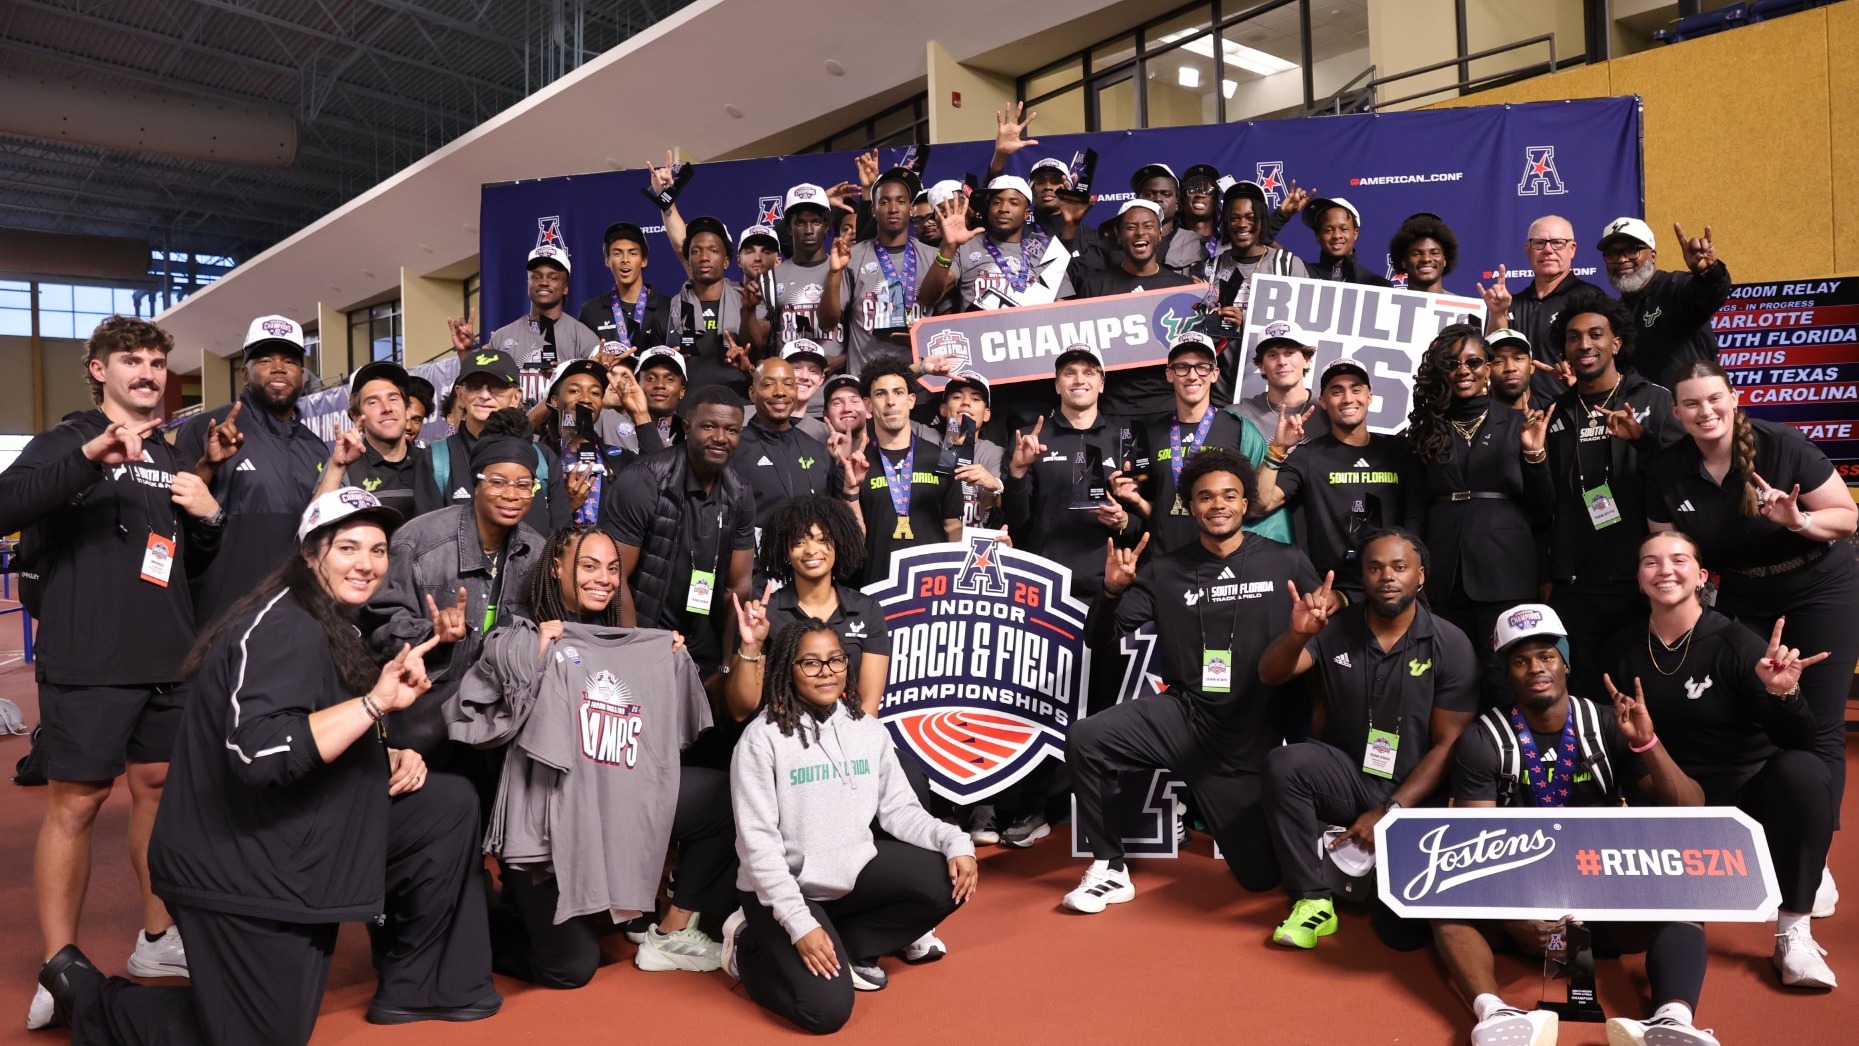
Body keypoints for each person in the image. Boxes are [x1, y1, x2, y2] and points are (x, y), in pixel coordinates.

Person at [38, 489, 496, 1044]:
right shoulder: (284, 626)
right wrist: (374, 704)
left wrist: (384, 750)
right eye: (347, 547)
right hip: (237, 863)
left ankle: (422, 984)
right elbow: (260, 753)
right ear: (309, 554)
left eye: (378, 551)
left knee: (443, 807)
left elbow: (318, 720)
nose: (367, 563)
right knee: (260, 1038)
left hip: (291, 831)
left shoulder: (333, 622)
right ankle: (84, 994)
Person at [1, 317, 224, 1029]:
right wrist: (90, 458)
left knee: (159, 791)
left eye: (157, 361)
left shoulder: (170, 452)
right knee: (77, 804)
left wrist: (210, 517)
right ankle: (59, 963)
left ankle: (157, 940)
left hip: (168, 657)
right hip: (90, 659)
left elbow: (182, 566)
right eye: (132, 360)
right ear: (99, 369)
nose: (148, 373)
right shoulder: (66, 439)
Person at [448, 525, 737, 985]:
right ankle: (468, 923)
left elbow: (679, 726)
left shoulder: (637, 644)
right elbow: (474, 718)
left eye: (611, 568)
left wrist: (670, 658)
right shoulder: (522, 636)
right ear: (557, 567)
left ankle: (672, 929)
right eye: (587, 565)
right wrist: (537, 656)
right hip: (546, 826)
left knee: (724, 797)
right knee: (572, 967)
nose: (602, 578)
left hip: (615, 804)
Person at [1434, 603, 1715, 1046]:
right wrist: (1515, 919)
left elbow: (1690, 806)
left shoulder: (1606, 723)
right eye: (1520, 661)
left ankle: (1673, 1021)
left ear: (1566, 663)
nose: (1535, 669)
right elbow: (1475, 842)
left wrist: (1647, 745)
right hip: (1518, 892)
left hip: (1601, 886)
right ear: (1506, 674)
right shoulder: (1484, 739)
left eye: (1546, 656)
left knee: (1685, 898)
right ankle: (1496, 1015)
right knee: (1445, 902)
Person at [1068, 449, 1336, 910]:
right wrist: (1112, 591)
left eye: (1230, 496)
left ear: (1246, 503)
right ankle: (1110, 867)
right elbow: (1099, 637)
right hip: (1186, 717)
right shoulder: (1165, 569)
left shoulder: (1286, 562)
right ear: (1190, 506)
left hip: (1253, 732)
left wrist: (1337, 609)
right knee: (1086, 738)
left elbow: (1322, 631)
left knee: (1259, 879)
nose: (1218, 505)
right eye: (1205, 497)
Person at [1644, 359, 1859, 879]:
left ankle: (1815, 857)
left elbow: (1847, 517)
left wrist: (1799, 520)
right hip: (1742, 596)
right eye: (1691, 403)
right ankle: (1760, 834)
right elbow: (1669, 546)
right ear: (1676, 411)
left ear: (1733, 398)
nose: (1705, 411)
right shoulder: (1667, 468)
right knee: (1759, 716)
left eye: (1714, 399)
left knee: (1822, 724)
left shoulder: (1781, 444)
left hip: (1819, 586)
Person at [725, 620, 977, 1032]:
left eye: (835, 659)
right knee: (826, 1012)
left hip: (851, 875)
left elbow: (899, 810)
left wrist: (955, 841)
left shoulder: (866, 729)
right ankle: (750, 949)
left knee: (945, 878)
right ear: (787, 667)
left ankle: (849, 946)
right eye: (810, 663)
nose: (826, 671)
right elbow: (758, 849)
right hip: (783, 890)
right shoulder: (761, 739)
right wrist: (799, 923)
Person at [1613, 531, 1835, 989]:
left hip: (1746, 799)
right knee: (1631, 937)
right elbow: (1622, 743)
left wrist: (1783, 694)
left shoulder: (1737, 642)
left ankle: (1793, 931)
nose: (1665, 570)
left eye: (1678, 560)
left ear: (1701, 576)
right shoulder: (1622, 648)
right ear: (1639, 579)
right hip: (1668, 796)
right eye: (1650, 562)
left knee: (1805, 770)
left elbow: (1801, 738)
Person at [1257, 530, 1478, 948]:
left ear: (1421, 576)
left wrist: (1390, 811)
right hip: (1349, 777)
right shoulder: (1335, 630)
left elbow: (1449, 744)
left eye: (1399, 567)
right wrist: (1299, 635)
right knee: (1285, 764)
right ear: (1362, 577)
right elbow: (1271, 673)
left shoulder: (1450, 643)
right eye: (1375, 568)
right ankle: (1313, 901)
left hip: (1415, 794)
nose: (1387, 577)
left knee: (1402, 935)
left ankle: (1374, 869)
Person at [367, 407, 548, 765]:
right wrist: (429, 633)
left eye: (523, 485)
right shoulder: (418, 541)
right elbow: (377, 629)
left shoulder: (537, 552)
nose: (511, 494)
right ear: (475, 483)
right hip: (424, 723)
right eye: (497, 481)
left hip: (499, 726)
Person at [1540, 292, 1683, 700]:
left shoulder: (1654, 400)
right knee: (1586, 697)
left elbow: (1681, 485)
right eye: (1573, 337)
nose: (1584, 344)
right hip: (1574, 587)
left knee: (1646, 695)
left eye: (1596, 334)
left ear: (1616, 343)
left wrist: (1643, 442)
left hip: (1640, 585)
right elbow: (1542, 505)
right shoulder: (1556, 413)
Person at [1405, 324, 1553, 658]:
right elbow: (1415, 510)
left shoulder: (1521, 424)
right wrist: (1414, 566)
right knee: (1450, 670)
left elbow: (1543, 509)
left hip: (1506, 569)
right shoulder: (1425, 431)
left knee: (1503, 672)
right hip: (1442, 571)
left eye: (1472, 363)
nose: (1463, 371)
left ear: (1488, 368)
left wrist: (1534, 456)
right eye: (1452, 363)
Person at [175, 314, 328, 628]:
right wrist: (208, 465)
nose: (279, 368)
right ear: (245, 374)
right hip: (222, 618)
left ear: (302, 375)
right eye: (265, 359)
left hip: (297, 612)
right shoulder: (206, 429)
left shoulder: (315, 447)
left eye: (290, 360)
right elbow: (178, 520)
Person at [603, 385, 758, 683]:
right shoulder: (644, 481)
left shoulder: (739, 493)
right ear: (687, 428)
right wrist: (636, 651)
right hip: (648, 632)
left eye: (732, 430)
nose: (720, 438)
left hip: (704, 640)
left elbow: (736, 588)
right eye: (709, 426)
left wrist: (726, 663)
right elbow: (615, 575)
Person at [1253, 358, 1423, 599]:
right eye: (1336, 391)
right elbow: (1261, 504)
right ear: (1323, 401)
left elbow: (1416, 520)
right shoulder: (1308, 456)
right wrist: (1278, 449)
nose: (1347, 398)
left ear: (1370, 396)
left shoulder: (1398, 453)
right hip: (1330, 593)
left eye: (1356, 389)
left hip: (1392, 589)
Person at [1124, 333, 1271, 557]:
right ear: (1169, 374)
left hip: (1222, 561)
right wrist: (1135, 500)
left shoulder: (1238, 429)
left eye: (1202, 367)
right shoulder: (1150, 434)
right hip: (1166, 561)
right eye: (1182, 367)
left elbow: (1257, 502)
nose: (1192, 375)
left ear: (1214, 374)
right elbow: (1157, 508)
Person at [836, 355, 964, 584]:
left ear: (911, 400)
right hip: (876, 591)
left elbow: (952, 527)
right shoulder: (854, 466)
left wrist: (989, 545)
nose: (891, 402)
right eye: (880, 394)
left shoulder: (944, 459)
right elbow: (852, 543)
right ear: (867, 405)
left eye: (898, 392)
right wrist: (851, 493)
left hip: (933, 589)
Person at [1069, 199, 1198, 420]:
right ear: (1119, 236)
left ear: (1160, 235)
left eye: (1148, 226)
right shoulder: (1096, 284)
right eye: (1131, 227)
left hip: (1168, 406)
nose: (1140, 232)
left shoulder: (1183, 288)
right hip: (1112, 407)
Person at [431, 347, 565, 535]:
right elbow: (425, 542)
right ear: (460, 394)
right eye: (475, 386)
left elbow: (560, 536)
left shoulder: (543, 459)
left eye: (498, 386)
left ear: (516, 396)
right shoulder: (436, 460)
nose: (485, 395)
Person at [822, 165, 933, 377]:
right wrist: (834, 273)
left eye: (901, 201)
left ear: (911, 209)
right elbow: (827, 323)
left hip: (921, 387)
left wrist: (921, 335)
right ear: (873, 210)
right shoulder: (853, 257)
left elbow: (947, 317)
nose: (893, 208)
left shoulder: (931, 256)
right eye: (884, 202)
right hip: (865, 383)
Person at [1208, 182, 1309, 403]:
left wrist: (1249, 322)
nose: (1242, 224)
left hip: (1274, 393)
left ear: (1262, 219)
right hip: (1220, 395)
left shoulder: (1287, 265)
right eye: (1235, 218)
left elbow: (1305, 328)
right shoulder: (1210, 268)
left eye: (1250, 217)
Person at [1479, 215, 1596, 405]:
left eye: (1557, 243)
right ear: (1528, 250)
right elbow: (1495, 356)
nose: (1548, 250)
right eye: (1539, 243)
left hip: (1572, 415)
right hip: (1518, 419)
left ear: (1572, 249)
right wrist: (1498, 314)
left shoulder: (1590, 299)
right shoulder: (1512, 303)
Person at [1599, 217, 1730, 385]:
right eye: (1612, 253)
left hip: (1691, 405)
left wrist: (1708, 272)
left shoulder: (1677, 287)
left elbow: (1711, 293)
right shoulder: (1614, 314)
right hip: (1641, 409)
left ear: (1652, 255)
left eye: (1632, 250)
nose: (1622, 259)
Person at [1228, 322, 1325, 543]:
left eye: (1290, 353)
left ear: (1307, 359)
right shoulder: (1238, 416)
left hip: (1320, 535)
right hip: (1261, 539)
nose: (1282, 361)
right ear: (1261, 366)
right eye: (1272, 355)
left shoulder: (1330, 411)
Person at [311, 360, 443, 521]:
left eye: (393, 399)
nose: (386, 408)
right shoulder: (344, 468)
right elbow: (313, 531)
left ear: (407, 410)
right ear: (356, 416)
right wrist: (337, 468)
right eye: (373, 402)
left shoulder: (434, 463)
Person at [920, 175, 1071, 312]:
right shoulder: (965, 246)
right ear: (988, 209)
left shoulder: (1048, 249)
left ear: (1027, 213)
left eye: (1014, 202)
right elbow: (928, 298)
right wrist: (949, 246)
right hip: (979, 337)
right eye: (996, 202)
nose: (1003, 209)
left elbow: (1062, 309)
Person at [478, 244, 603, 407]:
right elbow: (486, 393)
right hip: (511, 429)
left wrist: (566, 377)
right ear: (528, 283)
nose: (543, 282)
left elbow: (595, 399)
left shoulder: (585, 338)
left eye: (553, 277)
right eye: (536, 277)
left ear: (565, 287)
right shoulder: (502, 337)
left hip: (564, 430)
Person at [732, 356, 837, 532]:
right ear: (752, 393)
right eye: (768, 384)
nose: (780, 392)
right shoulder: (734, 449)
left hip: (809, 555)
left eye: (789, 384)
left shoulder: (817, 450)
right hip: (753, 557)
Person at [749, 183, 845, 366]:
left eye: (816, 222)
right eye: (800, 223)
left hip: (837, 388)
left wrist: (840, 360)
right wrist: (747, 311)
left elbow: (860, 333)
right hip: (787, 385)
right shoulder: (771, 278)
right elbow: (758, 343)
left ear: (826, 226)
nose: (809, 230)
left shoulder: (844, 270)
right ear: (788, 228)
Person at [666, 215, 755, 398]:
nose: (704, 257)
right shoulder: (676, 304)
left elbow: (762, 353)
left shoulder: (745, 301)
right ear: (688, 261)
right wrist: (671, 361)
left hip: (741, 406)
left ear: (726, 261)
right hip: (689, 408)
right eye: (696, 251)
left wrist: (749, 312)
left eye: (713, 250)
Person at [540, 358, 631, 526]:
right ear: (555, 401)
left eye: (595, 393)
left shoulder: (620, 458)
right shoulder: (537, 457)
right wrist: (565, 507)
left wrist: (640, 414)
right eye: (574, 391)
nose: (586, 399)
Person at [578, 221, 672, 353]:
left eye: (633, 253)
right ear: (607, 260)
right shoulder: (591, 311)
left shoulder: (668, 307)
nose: (625, 260)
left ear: (644, 261)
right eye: (617, 253)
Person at [936, 370, 1006, 529]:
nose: (966, 402)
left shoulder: (996, 454)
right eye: (957, 397)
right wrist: (922, 369)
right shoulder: (923, 437)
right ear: (944, 409)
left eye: (975, 398)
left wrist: (993, 488)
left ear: (987, 414)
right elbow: (893, 401)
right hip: (932, 545)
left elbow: (988, 518)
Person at [1304, 197, 1389, 287]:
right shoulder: (1303, 275)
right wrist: (1286, 216)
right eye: (1328, 230)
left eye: (1344, 229)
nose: (1337, 235)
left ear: (1355, 233)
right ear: (1318, 236)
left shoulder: (1378, 285)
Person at [1388, 212, 1460, 296]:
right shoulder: (1387, 307)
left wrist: (1479, 307)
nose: (1426, 259)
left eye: (1435, 253)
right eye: (1417, 254)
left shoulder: (1462, 308)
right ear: (1404, 261)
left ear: (1445, 260)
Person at [1483, 328, 1540, 412]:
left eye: (1518, 358)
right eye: (1498, 361)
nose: (1510, 368)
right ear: (1486, 370)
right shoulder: (1475, 418)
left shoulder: (1551, 411)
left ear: (1531, 366)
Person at [405, 375, 436, 447]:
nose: (408, 427)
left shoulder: (429, 456)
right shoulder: (374, 455)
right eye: (404, 417)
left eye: (416, 420)